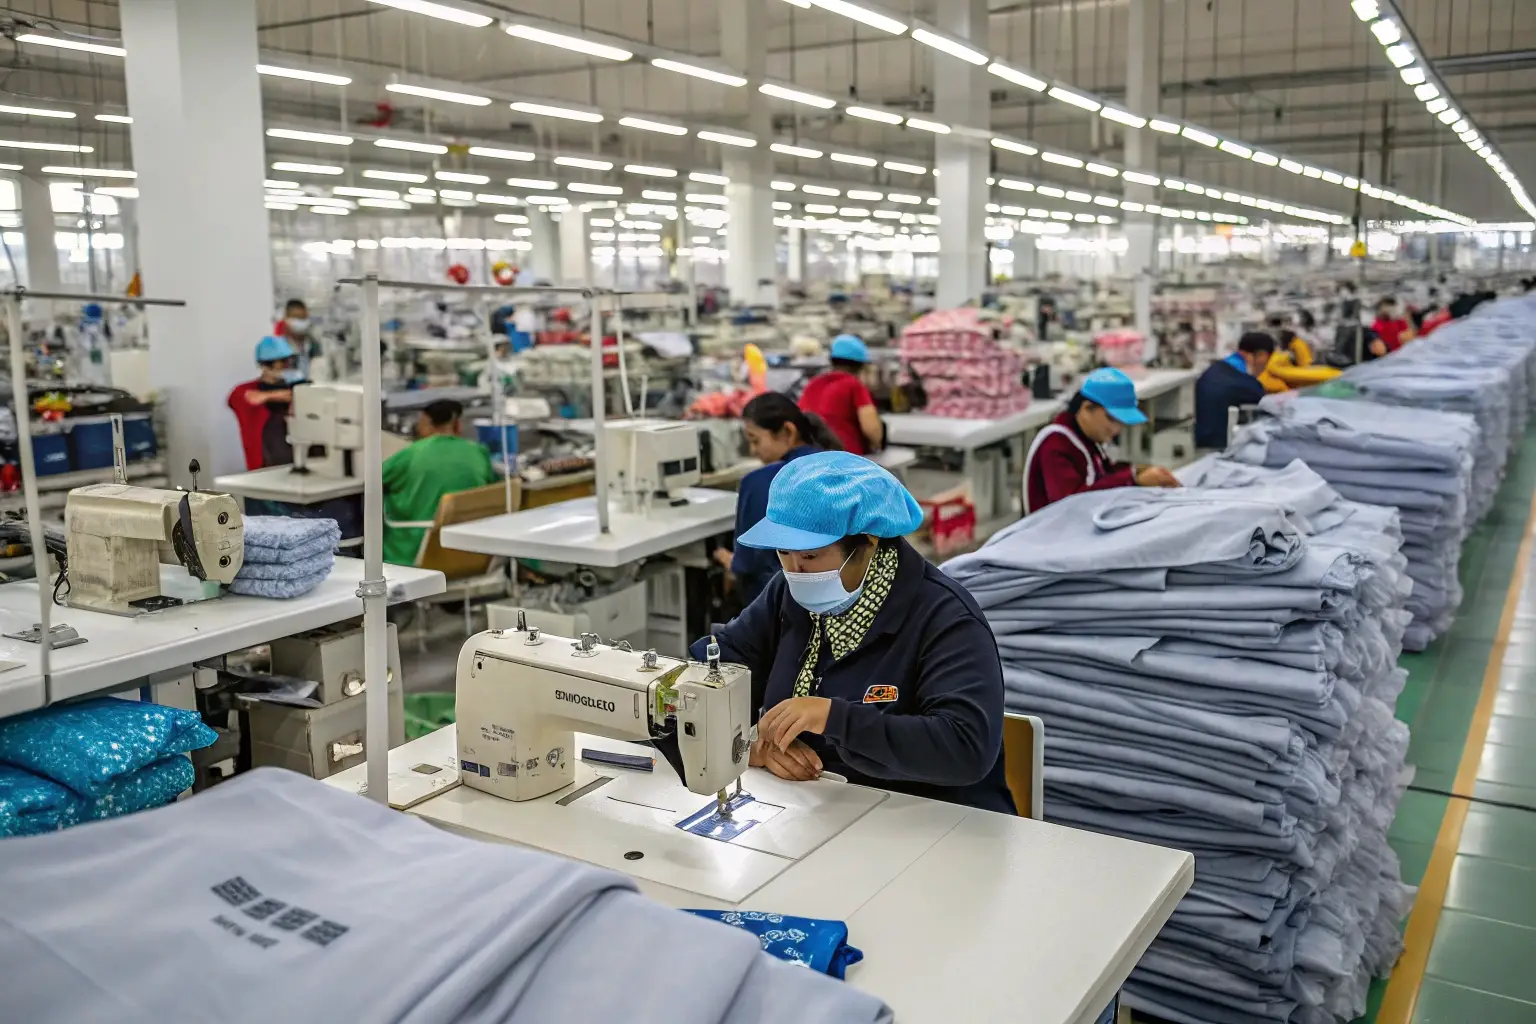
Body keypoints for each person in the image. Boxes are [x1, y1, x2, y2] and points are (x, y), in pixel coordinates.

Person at [689, 451, 1014, 814]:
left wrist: (835, 718)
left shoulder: (945, 618)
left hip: (939, 821)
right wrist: (745, 747)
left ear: (869, 542)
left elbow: (966, 748)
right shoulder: (788, 593)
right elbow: (723, 665)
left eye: (810, 557)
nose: (795, 571)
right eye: (783, 552)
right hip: (822, 808)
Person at [713, 393, 842, 605]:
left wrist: (726, 559)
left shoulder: (762, 482)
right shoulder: (840, 465)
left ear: (788, 432)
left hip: (785, 608)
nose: (753, 451)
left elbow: (746, 564)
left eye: (755, 440)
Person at [1022, 367, 1179, 514]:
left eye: (1121, 423)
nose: (1116, 430)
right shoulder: (1055, 444)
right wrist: (1133, 479)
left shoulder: (1087, 441)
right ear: (1086, 408)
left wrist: (1138, 471)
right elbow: (1071, 506)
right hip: (1052, 532)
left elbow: (1104, 476)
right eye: (1111, 419)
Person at [381, 399, 497, 565]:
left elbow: (373, 481)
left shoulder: (410, 455)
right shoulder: (478, 452)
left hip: (414, 553)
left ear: (426, 423)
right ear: (457, 424)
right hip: (469, 553)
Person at [228, 335, 305, 471]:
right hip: (264, 466)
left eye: (285, 362)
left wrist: (273, 396)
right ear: (263, 365)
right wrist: (273, 396)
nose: (282, 367)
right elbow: (249, 398)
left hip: (300, 461)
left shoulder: (299, 386)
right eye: (276, 363)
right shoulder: (244, 390)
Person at [799, 335, 883, 456]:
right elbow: (871, 429)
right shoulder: (854, 385)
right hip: (845, 457)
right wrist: (876, 444)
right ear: (861, 365)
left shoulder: (812, 383)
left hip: (811, 457)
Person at [1194, 332, 1276, 450]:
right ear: (1261, 355)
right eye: (1266, 361)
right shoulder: (1246, 385)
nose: (1265, 367)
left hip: (1202, 442)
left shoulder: (1213, 370)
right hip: (1222, 448)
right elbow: (1268, 407)